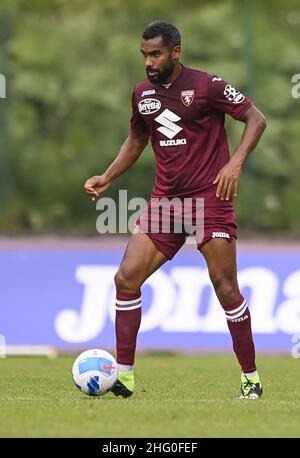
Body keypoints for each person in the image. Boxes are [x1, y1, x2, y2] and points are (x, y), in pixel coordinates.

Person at [84, 21, 267, 399]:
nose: (149, 62)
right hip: (165, 202)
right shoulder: (141, 94)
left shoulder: (207, 87)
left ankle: (251, 379)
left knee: (226, 287)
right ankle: (125, 377)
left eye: (156, 54)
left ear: (176, 52)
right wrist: (108, 176)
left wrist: (235, 163)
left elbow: (256, 118)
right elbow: (137, 139)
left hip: (209, 198)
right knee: (125, 279)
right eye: (145, 55)